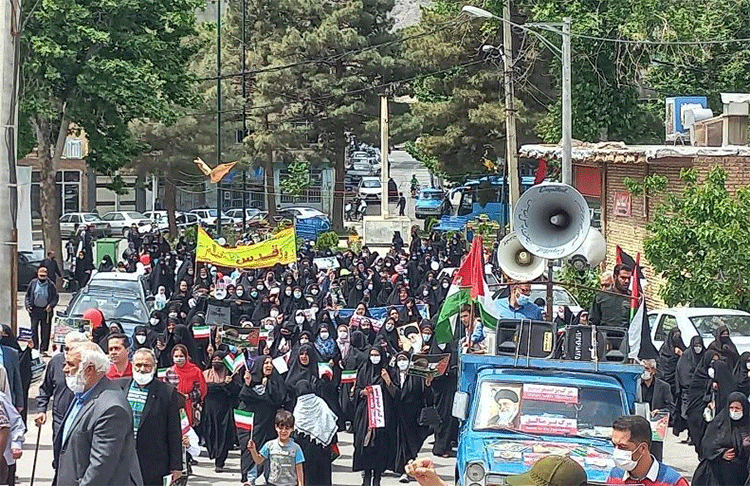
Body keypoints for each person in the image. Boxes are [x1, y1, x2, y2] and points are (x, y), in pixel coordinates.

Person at [54, 341, 143, 486]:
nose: (65, 369)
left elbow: (101, 467)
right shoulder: (82, 394)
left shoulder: (111, 409)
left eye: (71, 365)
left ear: (90, 369)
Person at [117, 348, 183, 486]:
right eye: (138, 365)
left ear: (154, 367)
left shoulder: (167, 392)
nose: (142, 369)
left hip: (153, 463)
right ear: (132, 365)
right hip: (121, 460)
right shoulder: (118, 387)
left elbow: (174, 432)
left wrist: (176, 466)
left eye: (146, 365)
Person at [35, 331, 88, 463]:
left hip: (82, 419)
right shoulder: (56, 362)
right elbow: (45, 388)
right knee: (59, 456)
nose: (69, 352)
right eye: (67, 348)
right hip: (60, 417)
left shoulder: (89, 365)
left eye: (74, 349)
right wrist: (41, 410)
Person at [353, 346, 396, 486]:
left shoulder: (388, 371)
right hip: (365, 415)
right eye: (372, 355)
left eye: (377, 355)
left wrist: (388, 381)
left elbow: (396, 394)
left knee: (380, 447)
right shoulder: (364, 370)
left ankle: (377, 478)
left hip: (382, 415)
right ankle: (366, 477)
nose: (374, 357)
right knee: (365, 445)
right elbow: (356, 390)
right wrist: (362, 392)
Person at [606, 415, 689, 486]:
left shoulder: (674, 482)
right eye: (614, 445)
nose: (617, 451)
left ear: (642, 448)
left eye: (623, 447)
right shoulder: (615, 475)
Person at [692, 391, 750, 485]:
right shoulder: (719, 423)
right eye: (731, 408)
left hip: (743, 473)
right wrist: (721, 453)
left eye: (737, 408)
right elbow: (707, 445)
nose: (734, 411)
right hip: (720, 474)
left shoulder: (747, 426)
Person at [292, 380, 338, 486]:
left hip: (305, 449)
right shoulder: (320, 402)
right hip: (323, 448)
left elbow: (296, 429)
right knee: (323, 477)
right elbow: (330, 423)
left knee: (308, 477)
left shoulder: (299, 406)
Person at [202, 351, 239, 472]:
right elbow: (202, 389)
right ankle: (213, 453)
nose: (217, 361)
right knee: (210, 434)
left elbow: (237, 392)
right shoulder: (205, 374)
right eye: (214, 359)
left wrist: (230, 384)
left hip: (225, 412)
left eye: (219, 359)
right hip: (209, 411)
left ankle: (220, 461)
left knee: (224, 436)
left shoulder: (230, 375)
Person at [248, 410, 306, 486]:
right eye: (281, 428)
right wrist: (253, 450)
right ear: (276, 427)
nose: (283, 431)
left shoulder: (296, 448)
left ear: (292, 429)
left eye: (287, 428)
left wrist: (301, 484)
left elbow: (299, 470)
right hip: (273, 483)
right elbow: (258, 460)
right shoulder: (269, 445)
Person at [637, 359, 674, 461]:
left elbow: (671, 407)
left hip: (656, 427)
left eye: (646, 369)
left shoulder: (663, 386)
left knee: (655, 456)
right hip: (639, 424)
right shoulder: (636, 385)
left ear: (653, 370)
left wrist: (660, 411)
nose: (644, 371)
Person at [164, 343, 206, 427]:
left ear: (186, 356)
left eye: (181, 356)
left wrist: (188, 396)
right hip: (174, 407)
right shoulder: (169, 371)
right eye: (176, 356)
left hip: (191, 406)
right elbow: (165, 390)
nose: (178, 359)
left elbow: (201, 389)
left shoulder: (195, 371)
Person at [24, 265, 59, 355]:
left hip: (46, 311)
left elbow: (55, 297)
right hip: (35, 310)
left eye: (44, 276)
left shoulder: (51, 285)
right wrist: (28, 306)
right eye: (41, 275)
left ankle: (43, 349)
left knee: (45, 331)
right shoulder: (33, 283)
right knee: (34, 330)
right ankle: (35, 348)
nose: (42, 277)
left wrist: (51, 305)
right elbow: (27, 296)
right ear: (37, 274)